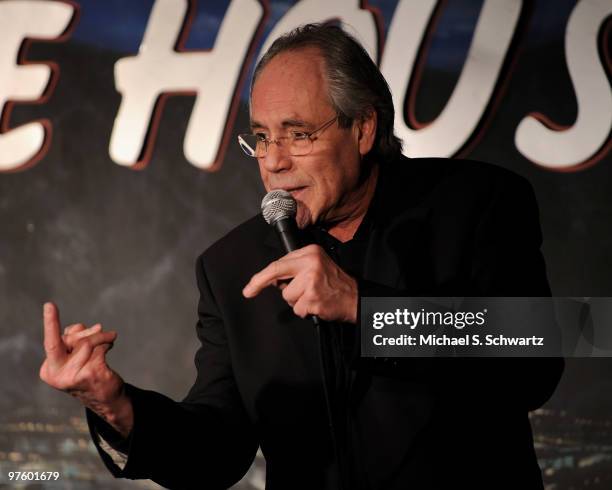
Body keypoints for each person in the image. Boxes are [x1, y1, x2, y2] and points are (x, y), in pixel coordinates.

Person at [40, 23, 563, 490]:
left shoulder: (479, 201)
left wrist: (365, 309)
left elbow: (545, 350)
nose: (274, 162)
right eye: (262, 139)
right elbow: (215, 454)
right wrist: (117, 406)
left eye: (298, 135)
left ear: (363, 129)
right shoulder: (232, 266)